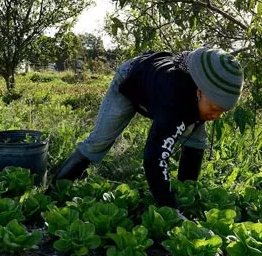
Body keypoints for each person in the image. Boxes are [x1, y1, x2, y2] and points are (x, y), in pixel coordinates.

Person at [50, 47, 245, 218]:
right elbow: (155, 157)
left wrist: (179, 201)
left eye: (222, 111)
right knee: (98, 142)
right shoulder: (173, 101)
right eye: (214, 107)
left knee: (196, 142)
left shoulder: (201, 96)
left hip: (166, 90)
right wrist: (169, 209)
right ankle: (53, 192)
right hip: (133, 78)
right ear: (199, 92)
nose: (216, 116)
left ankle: (186, 196)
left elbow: (199, 116)